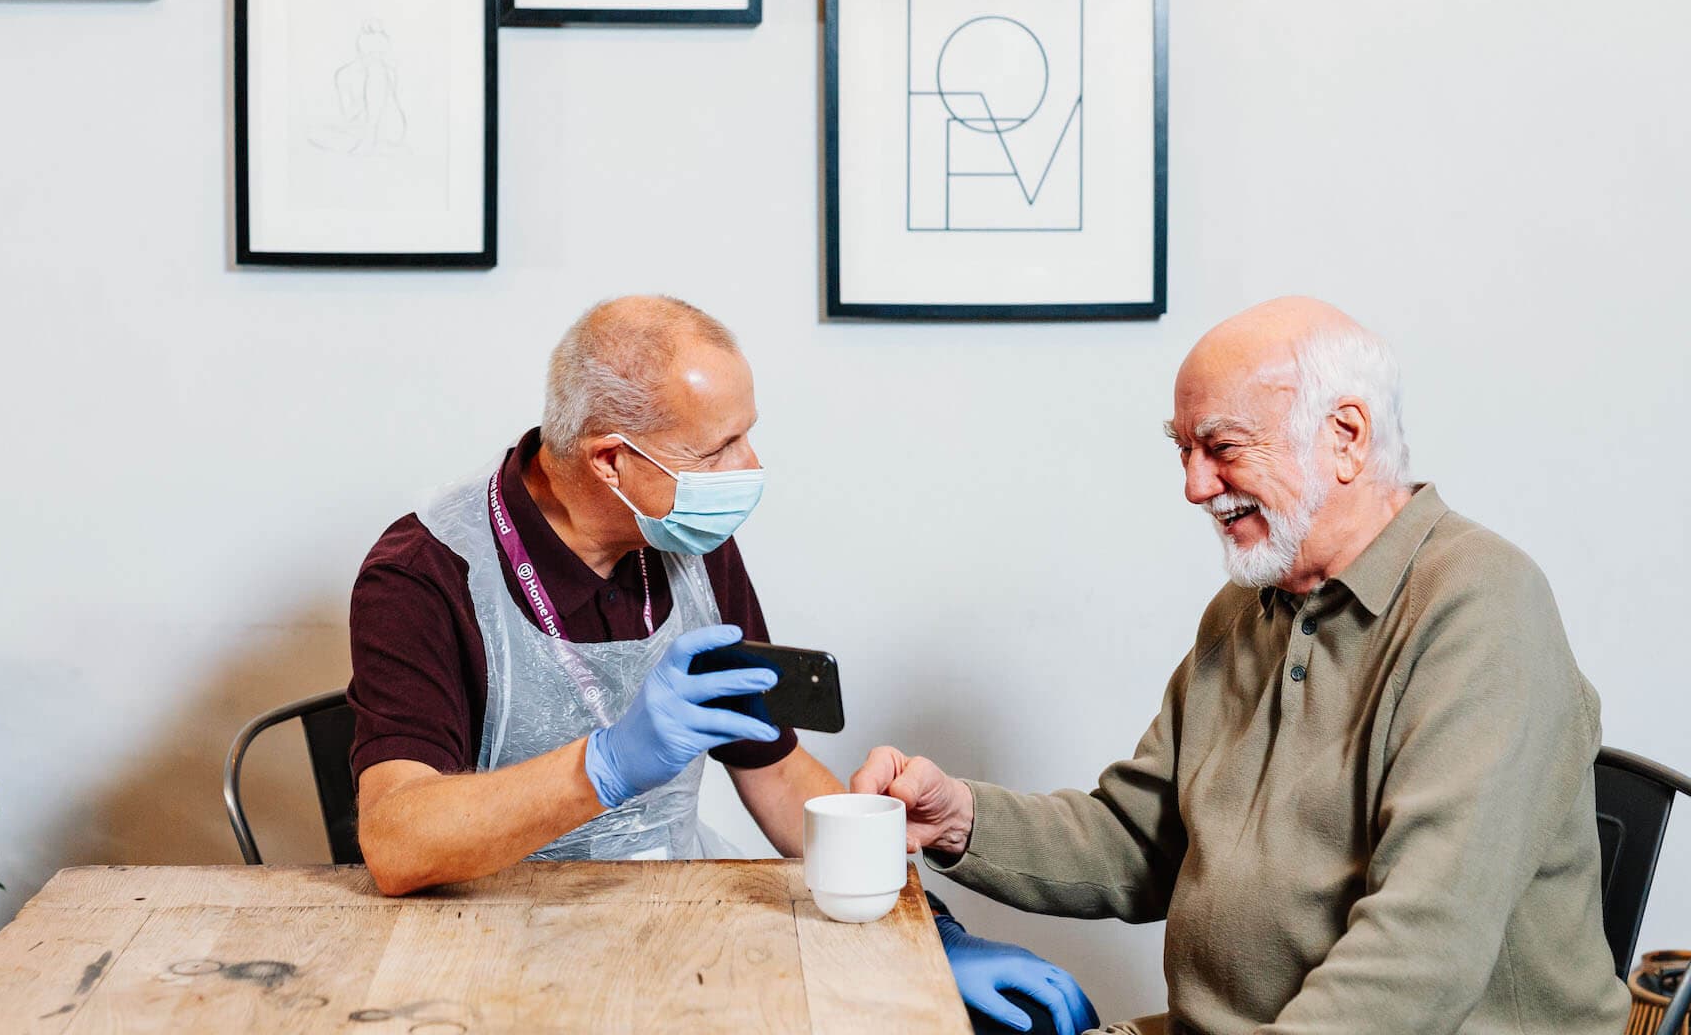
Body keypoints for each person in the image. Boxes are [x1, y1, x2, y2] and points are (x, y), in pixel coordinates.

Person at [853, 297, 1628, 1034]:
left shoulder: (1482, 606)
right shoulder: (1247, 608)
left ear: (1347, 437)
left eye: (1221, 447)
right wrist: (960, 819)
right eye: (1183, 451)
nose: (1194, 486)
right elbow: (1143, 840)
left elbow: (1421, 953)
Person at [349, 295, 842, 893]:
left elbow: (775, 770)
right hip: (487, 920)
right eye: (717, 449)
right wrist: (604, 765)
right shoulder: (427, 573)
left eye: (746, 436)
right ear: (610, 460)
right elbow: (397, 845)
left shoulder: (691, 536)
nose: (748, 466)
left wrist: (911, 897)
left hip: (675, 906)